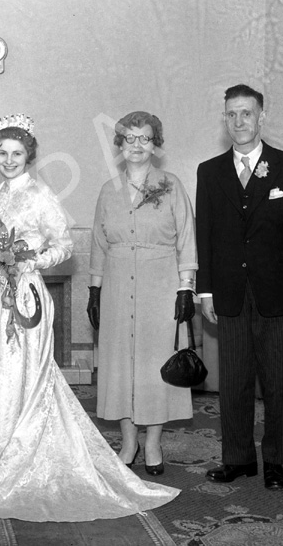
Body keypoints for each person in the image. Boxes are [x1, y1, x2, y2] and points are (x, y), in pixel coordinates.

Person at [0, 114, 179, 522]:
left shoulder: (40, 194)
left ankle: (24, 457)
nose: (10, 160)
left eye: (18, 153)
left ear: (30, 155)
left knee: (23, 374)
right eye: (3, 153)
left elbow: (64, 246)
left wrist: (28, 263)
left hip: (24, 297)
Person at [196, 84, 283, 490]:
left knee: (279, 380)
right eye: (231, 115)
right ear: (225, 119)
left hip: (281, 293)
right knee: (233, 381)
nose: (239, 122)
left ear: (261, 117)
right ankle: (237, 458)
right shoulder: (209, 171)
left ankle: (275, 461)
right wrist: (206, 291)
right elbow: (206, 236)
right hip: (230, 294)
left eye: (246, 113)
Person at [88, 111, 197, 476]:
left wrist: (186, 288)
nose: (137, 145)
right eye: (129, 139)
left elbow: (186, 240)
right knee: (120, 365)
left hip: (160, 287)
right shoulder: (108, 190)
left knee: (154, 367)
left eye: (145, 138)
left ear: (156, 144)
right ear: (119, 145)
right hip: (117, 287)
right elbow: (98, 244)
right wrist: (94, 290)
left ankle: (152, 443)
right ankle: (128, 441)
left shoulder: (171, 185)